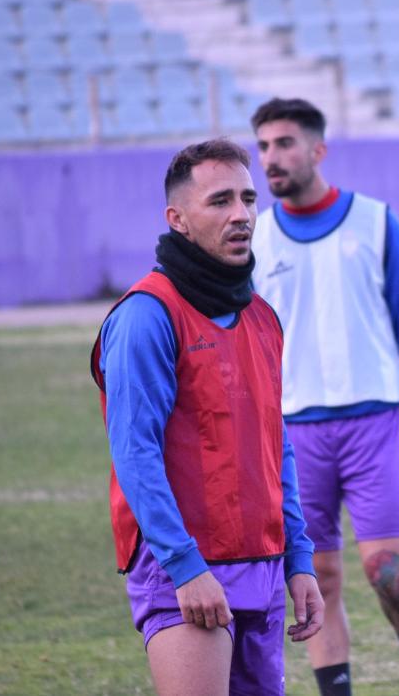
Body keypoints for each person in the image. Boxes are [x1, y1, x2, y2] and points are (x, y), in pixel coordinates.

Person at [90, 138, 325, 696]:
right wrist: (185, 567)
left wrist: (299, 558)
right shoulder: (147, 316)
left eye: (248, 198)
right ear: (179, 219)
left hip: (264, 565)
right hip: (185, 567)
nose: (242, 214)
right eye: (220, 201)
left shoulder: (262, 316)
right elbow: (134, 454)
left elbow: (276, 446)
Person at [248, 97, 399, 696]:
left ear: (318, 150)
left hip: (373, 424)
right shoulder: (256, 238)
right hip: (291, 434)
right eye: (262, 146)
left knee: (384, 571)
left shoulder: (376, 222)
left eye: (284, 143)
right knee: (320, 579)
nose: (271, 158)